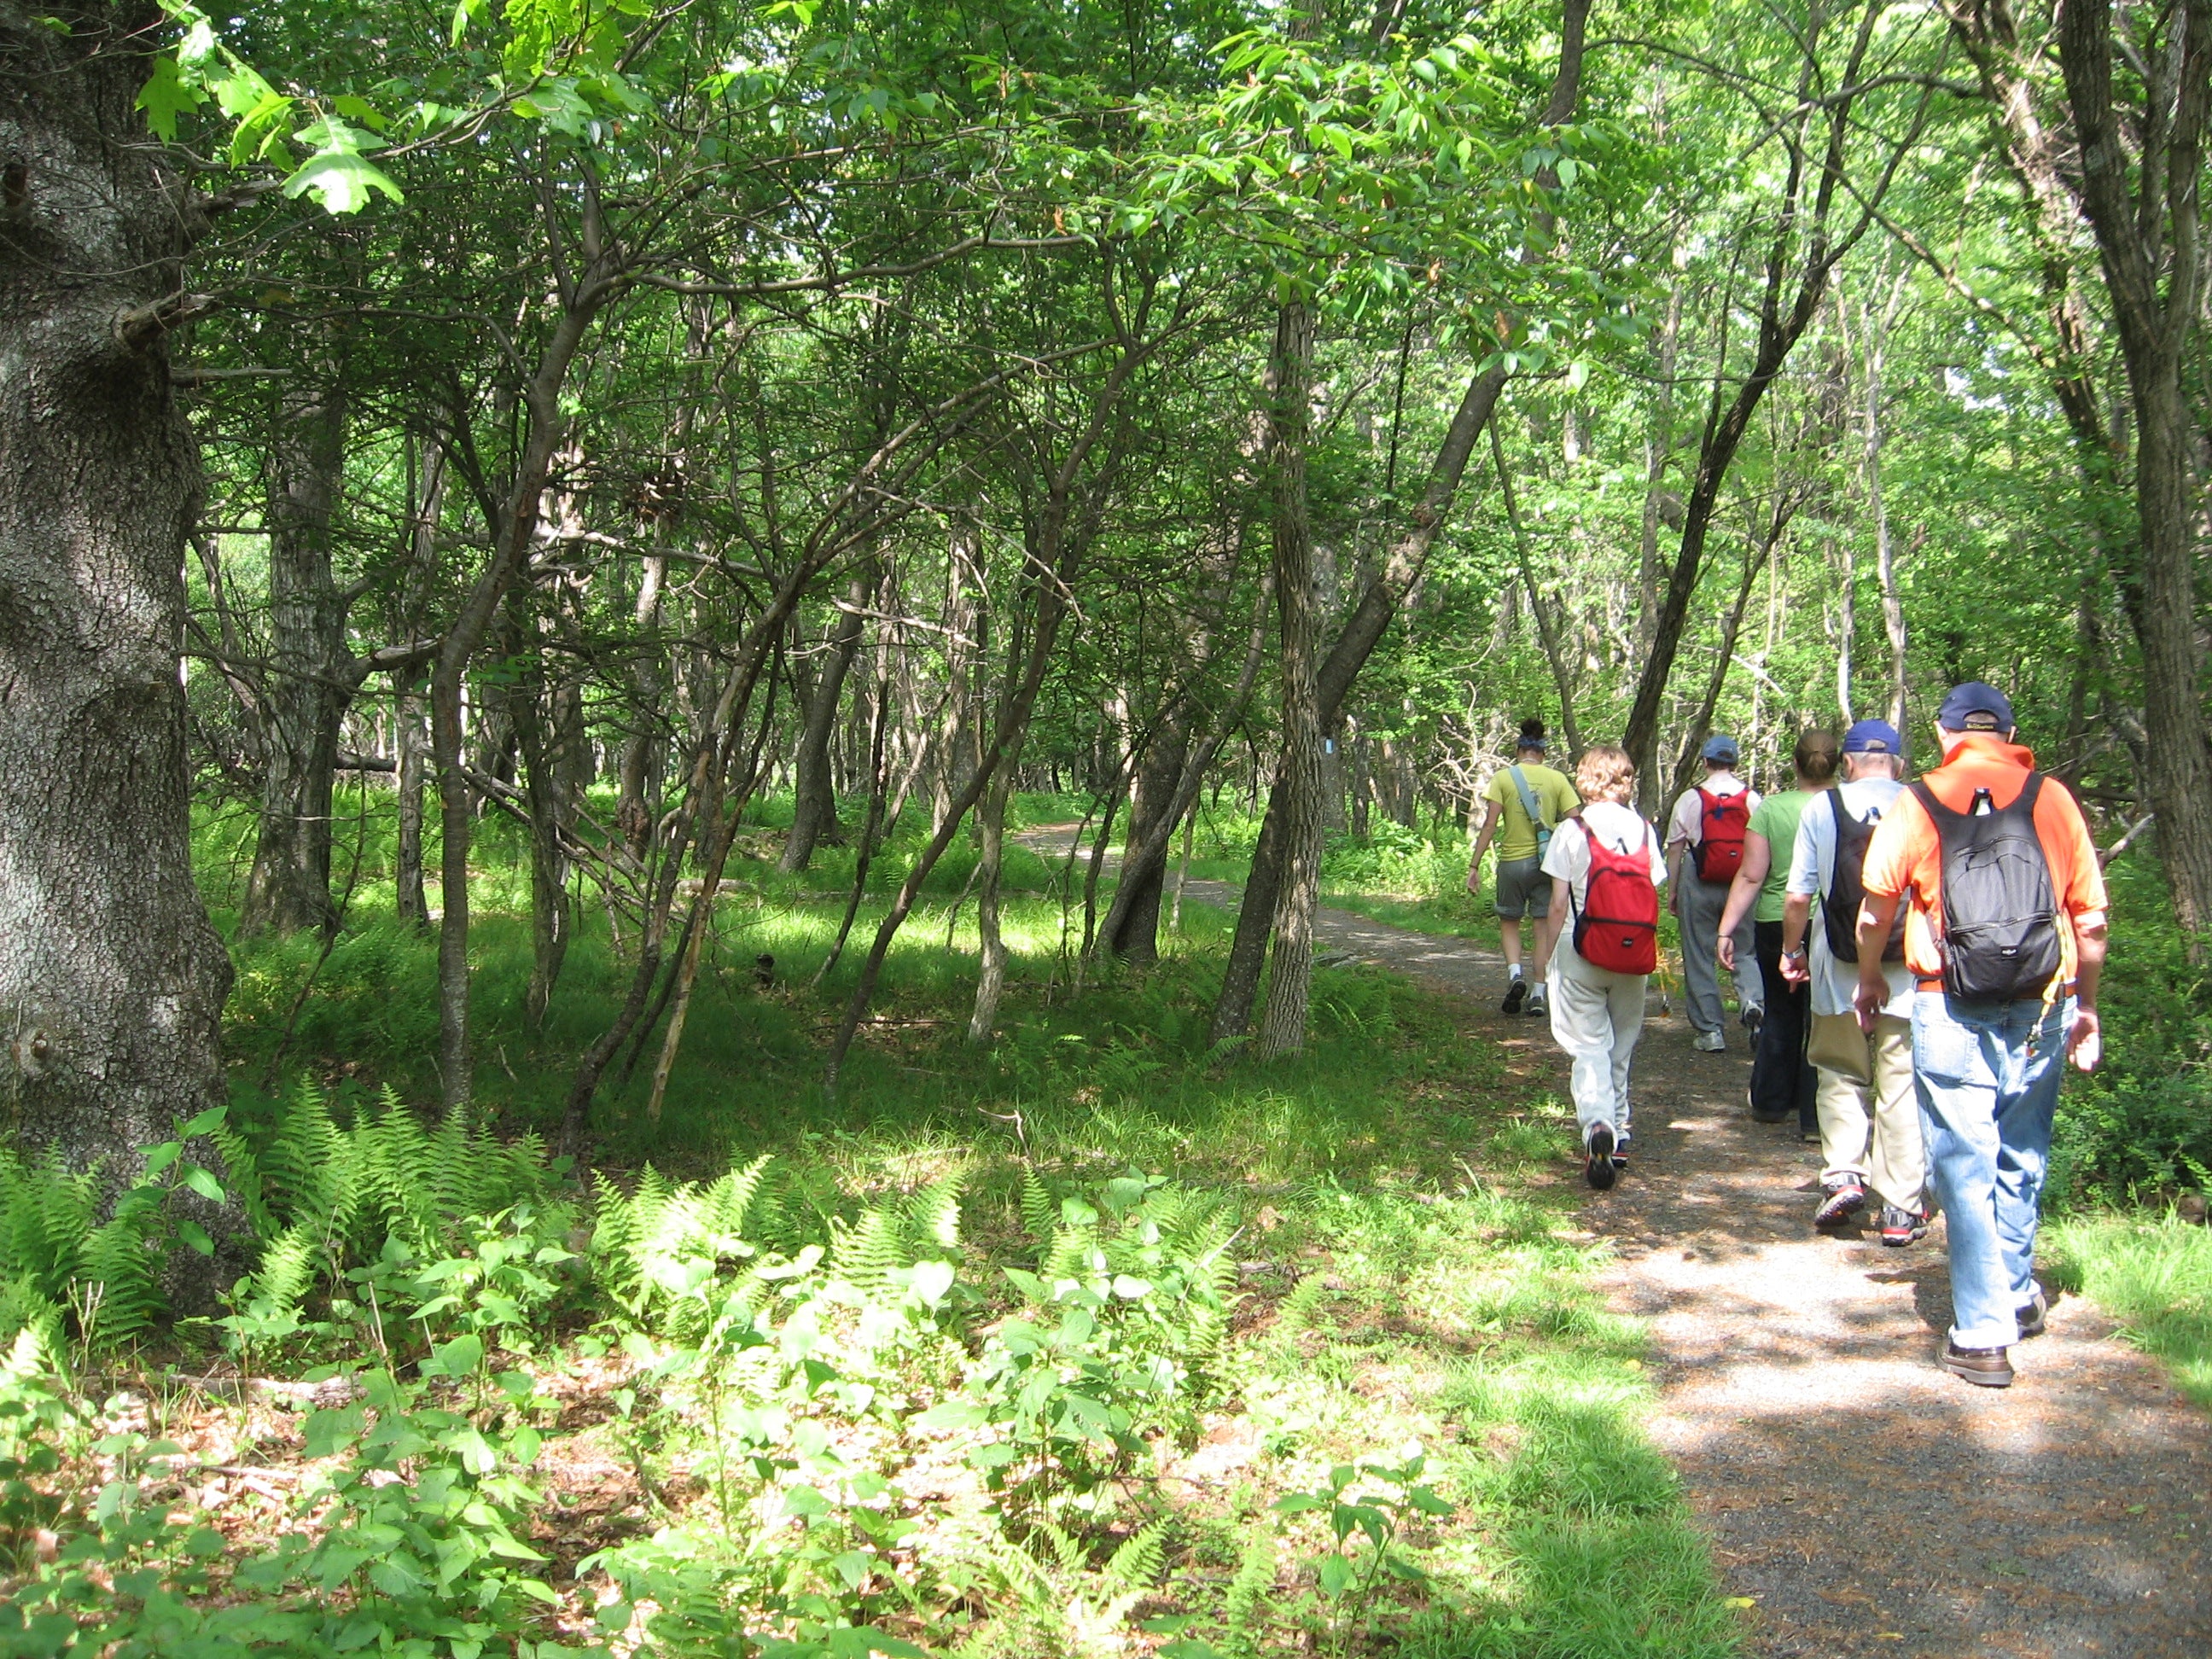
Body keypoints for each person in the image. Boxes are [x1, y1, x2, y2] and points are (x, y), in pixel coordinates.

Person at [1856, 683, 2107, 1389]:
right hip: (2041, 1002)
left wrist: (1872, 977)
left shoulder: (1920, 800)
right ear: (2011, 731)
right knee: (2020, 1151)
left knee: (1962, 1164)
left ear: (1942, 736)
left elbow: (1876, 913)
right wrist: (2085, 1005)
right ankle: (2018, 1293)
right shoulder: (2052, 798)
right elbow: (2089, 923)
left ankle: (1981, 1334)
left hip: (1946, 1001)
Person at [1780, 719, 1927, 1243]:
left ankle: (1843, 1173)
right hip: (1909, 966)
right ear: (1899, 763)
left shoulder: (1824, 806)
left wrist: (1791, 950)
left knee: (1839, 1071)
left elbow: (1799, 895)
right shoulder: (1921, 804)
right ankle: (1901, 1209)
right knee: (1901, 1081)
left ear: (1847, 763)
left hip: (1837, 962)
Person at [1537, 744, 1667, 1190]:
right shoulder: (1645, 831)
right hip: (1633, 953)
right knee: (1621, 1045)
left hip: (1581, 948)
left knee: (1588, 1044)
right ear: (1626, 780)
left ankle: (1598, 1126)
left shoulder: (1572, 830)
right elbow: (1652, 895)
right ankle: (1622, 1130)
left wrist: (1543, 962)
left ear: (1586, 779)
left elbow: (1557, 905)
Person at [1717, 730, 1837, 1135]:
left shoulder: (1771, 810)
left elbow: (1752, 875)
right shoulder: (1847, 807)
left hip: (1775, 919)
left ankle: (1770, 1101)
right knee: (1823, 1018)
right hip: (1833, 922)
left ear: (1796, 764)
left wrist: (1726, 929)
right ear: (1838, 764)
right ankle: (1815, 1116)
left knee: (1781, 1013)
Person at [1466, 717, 1581, 1021]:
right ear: (1542, 753)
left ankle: (1515, 974)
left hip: (1512, 863)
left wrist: (1474, 865)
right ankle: (1539, 993)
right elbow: (1577, 820)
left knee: (1509, 922)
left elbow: (1490, 824)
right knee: (1542, 928)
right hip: (1547, 863)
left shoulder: (1504, 779)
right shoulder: (1557, 779)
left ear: (1519, 750)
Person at [1668, 735, 1763, 1051]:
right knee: (1745, 949)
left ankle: (1710, 1031)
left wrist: (1673, 891)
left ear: (1705, 762)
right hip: (1743, 881)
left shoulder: (1690, 799)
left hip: (1698, 879)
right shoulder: (1752, 800)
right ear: (1734, 763)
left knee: (1698, 955)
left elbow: (1676, 849)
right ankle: (1752, 1002)